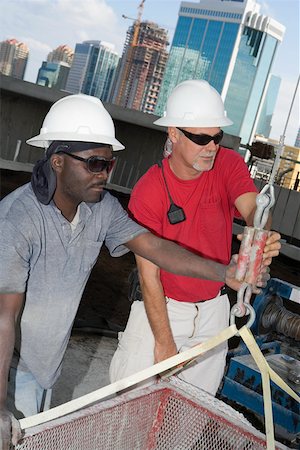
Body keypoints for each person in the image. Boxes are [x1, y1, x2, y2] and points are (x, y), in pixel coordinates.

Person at [0, 93, 270, 449]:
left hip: (45, 363)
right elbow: (3, 317)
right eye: (95, 163)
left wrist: (225, 273)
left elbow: (156, 249)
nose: (105, 174)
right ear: (58, 161)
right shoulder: (18, 220)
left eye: (109, 164)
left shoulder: (101, 208)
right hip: (10, 366)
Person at [109, 80, 281, 395]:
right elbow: (150, 280)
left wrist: (260, 231)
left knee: (191, 412)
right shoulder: (149, 192)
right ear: (173, 133)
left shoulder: (227, 164)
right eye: (201, 139)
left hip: (213, 313)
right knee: (129, 407)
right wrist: (164, 342)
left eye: (217, 138)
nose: (211, 147)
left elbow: (252, 206)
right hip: (162, 311)